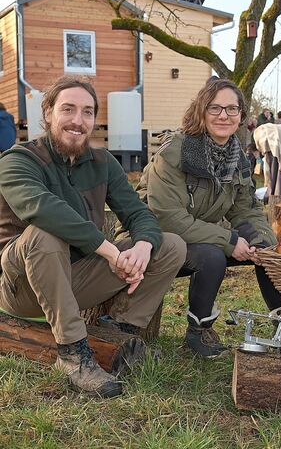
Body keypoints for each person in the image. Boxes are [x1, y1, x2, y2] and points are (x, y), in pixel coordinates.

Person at [0, 76, 186, 397]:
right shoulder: (17, 161)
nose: (78, 120)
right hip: (21, 286)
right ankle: (73, 356)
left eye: (87, 112)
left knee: (170, 246)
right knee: (45, 233)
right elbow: (46, 210)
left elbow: (138, 213)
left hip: (76, 277)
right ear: (47, 114)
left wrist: (142, 246)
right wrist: (112, 254)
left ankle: (119, 330)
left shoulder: (103, 162)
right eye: (68, 109)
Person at [131, 77, 281, 358]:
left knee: (268, 251)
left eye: (231, 109)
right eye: (215, 108)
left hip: (197, 237)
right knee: (213, 255)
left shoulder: (237, 157)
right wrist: (228, 240)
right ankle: (197, 332)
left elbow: (246, 209)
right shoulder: (176, 152)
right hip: (150, 241)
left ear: (241, 116)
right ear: (201, 111)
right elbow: (168, 218)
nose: (223, 115)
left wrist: (261, 241)